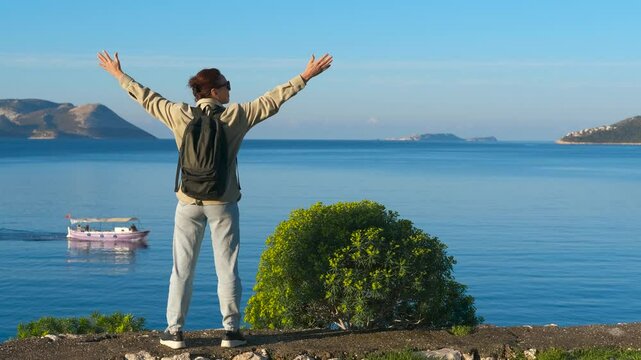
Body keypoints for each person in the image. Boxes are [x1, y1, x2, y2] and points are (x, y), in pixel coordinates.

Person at [97, 50, 332, 349]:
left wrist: (118, 74)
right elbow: (273, 99)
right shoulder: (237, 115)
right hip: (223, 202)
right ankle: (231, 332)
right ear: (214, 91)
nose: (230, 89)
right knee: (227, 268)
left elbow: (146, 98)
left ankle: (174, 332)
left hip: (188, 203)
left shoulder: (178, 113)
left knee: (182, 269)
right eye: (227, 84)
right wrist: (305, 77)